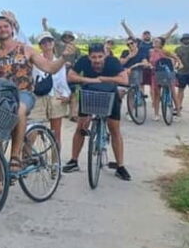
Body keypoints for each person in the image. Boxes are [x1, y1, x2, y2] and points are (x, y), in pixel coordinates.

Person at [0, 15, 75, 199]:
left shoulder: (26, 50)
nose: (2, 29)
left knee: (20, 108)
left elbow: (50, 68)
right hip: (3, 97)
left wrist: (64, 57)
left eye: (5, 26)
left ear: (11, 29)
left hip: (24, 94)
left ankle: (16, 156)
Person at [63, 42, 131, 181]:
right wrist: (89, 80)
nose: (97, 60)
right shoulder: (83, 60)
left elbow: (124, 79)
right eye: (94, 57)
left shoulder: (113, 62)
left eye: (100, 56)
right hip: (89, 94)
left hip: (110, 95)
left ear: (105, 55)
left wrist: (105, 79)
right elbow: (70, 76)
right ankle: (74, 160)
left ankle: (120, 166)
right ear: (89, 57)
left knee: (114, 129)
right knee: (81, 127)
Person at [29, 31, 71, 149]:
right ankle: (27, 157)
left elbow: (62, 81)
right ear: (40, 45)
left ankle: (55, 159)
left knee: (56, 134)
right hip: (38, 96)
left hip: (55, 96)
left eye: (49, 41)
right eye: (44, 42)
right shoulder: (35, 60)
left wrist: (66, 94)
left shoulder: (59, 61)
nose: (47, 43)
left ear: (53, 43)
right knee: (32, 131)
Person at [120, 19, 178, 98]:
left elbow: (165, 37)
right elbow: (130, 34)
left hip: (152, 65)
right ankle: (140, 99)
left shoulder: (154, 43)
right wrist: (124, 25)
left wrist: (173, 29)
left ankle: (154, 100)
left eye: (148, 34)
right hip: (142, 65)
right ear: (142, 36)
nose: (146, 35)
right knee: (141, 84)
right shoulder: (139, 42)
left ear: (150, 35)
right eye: (145, 34)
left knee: (152, 85)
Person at [42, 18, 81, 121]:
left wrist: (72, 65)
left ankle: (73, 114)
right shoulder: (58, 45)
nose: (67, 38)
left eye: (69, 36)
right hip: (57, 69)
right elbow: (48, 36)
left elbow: (78, 61)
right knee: (57, 91)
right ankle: (58, 112)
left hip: (69, 71)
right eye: (66, 36)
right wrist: (45, 24)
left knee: (73, 92)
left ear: (72, 38)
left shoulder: (76, 49)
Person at [148, 36, 181, 120]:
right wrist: (149, 65)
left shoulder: (165, 51)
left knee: (173, 92)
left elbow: (176, 58)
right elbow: (149, 61)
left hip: (166, 73)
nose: (154, 42)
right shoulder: (150, 51)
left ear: (161, 44)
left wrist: (178, 64)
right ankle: (156, 114)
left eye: (157, 42)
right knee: (156, 94)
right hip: (155, 73)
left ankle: (178, 113)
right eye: (154, 41)